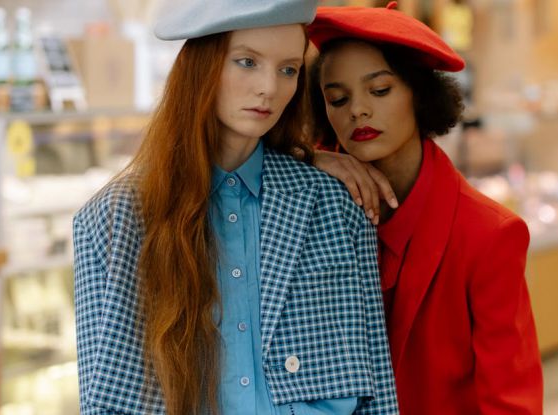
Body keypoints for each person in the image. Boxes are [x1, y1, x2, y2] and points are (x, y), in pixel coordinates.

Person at [72, 1, 397, 414]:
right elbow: (104, 403)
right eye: (247, 62)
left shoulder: (334, 205)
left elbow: (377, 393)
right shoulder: (113, 219)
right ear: (203, 66)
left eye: (288, 69)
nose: (270, 88)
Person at [307, 3, 543, 414]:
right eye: (337, 98)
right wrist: (310, 158)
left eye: (379, 90)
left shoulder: (488, 234)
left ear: (420, 94)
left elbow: (510, 399)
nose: (357, 110)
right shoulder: (313, 205)